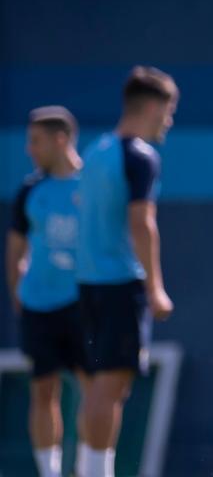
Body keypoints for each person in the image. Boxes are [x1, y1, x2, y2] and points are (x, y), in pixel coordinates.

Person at [76, 66, 178, 477]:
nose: (169, 120)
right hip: (120, 285)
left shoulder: (95, 151)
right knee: (110, 387)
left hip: (86, 287)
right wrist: (155, 288)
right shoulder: (140, 156)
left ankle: (88, 468)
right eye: (168, 111)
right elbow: (142, 222)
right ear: (152, 106)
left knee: (95, 387)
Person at [5, 106, 85, 477]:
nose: (30, 149)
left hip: (85, 307)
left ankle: (93, 467)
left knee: (95, 389)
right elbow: (16, 250)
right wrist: (18, 294)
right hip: (40, 307)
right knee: (43, 391)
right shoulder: (30, 191)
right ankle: (49, 473)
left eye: (35, 141)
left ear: (61, 139)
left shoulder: (94, 186)